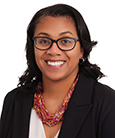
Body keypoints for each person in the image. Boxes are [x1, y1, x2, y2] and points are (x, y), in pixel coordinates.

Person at [0, 4, 115, 138]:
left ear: (82, 50)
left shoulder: (108, 103)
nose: (53, 51)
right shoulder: (14, 101)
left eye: (66, 41)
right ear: (33, 48)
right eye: (43, 41)